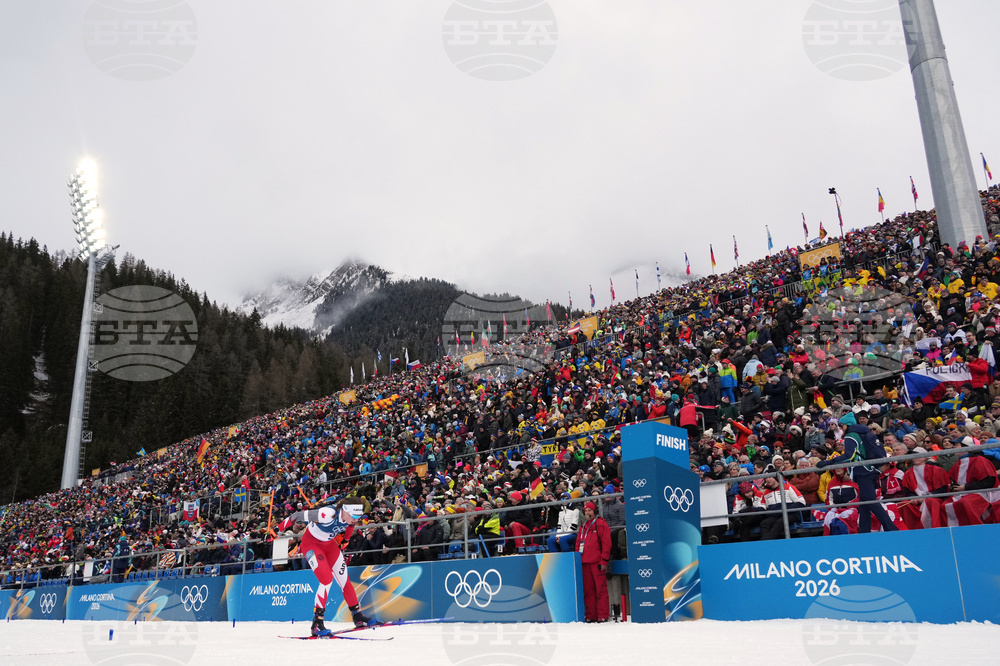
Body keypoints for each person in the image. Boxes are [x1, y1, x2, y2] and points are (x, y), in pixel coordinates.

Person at [277, 499, 376, 636]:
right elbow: (297, 516)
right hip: (311, 545)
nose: (355, 520)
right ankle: (317, 623)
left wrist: (345, 541)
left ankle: (357, 616)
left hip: (329, 545)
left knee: (344, 580)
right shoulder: (326, 514)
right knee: (326, 580)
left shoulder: (350, 518)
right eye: (353, 516)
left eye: (357, 517)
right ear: (344, 510)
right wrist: (277, 529)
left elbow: (351, 526)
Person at [817, 413, 899, 534]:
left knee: (870, 501)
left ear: (847, 425)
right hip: (871, 470)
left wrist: (828, 462)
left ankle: (891, 529)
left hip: (862, 471)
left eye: (842, 425)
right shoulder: (864, 433)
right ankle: (864, 532)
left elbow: (849, 456)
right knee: (864, 504)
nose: (840, 428)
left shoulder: (851, 436)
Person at [577, 501, 611, 623]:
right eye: (586, 511)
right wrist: (577, 561)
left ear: (594, 511)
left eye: (589, 510)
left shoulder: (601, 524)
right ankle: (591, 615)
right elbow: (577, 545)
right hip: (584, 563)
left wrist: (604, 560)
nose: (587, 513)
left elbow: (607, 544)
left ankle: (602, 615)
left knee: (600, 590)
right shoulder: (583, 527)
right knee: (588, 591)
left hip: (597, 563)